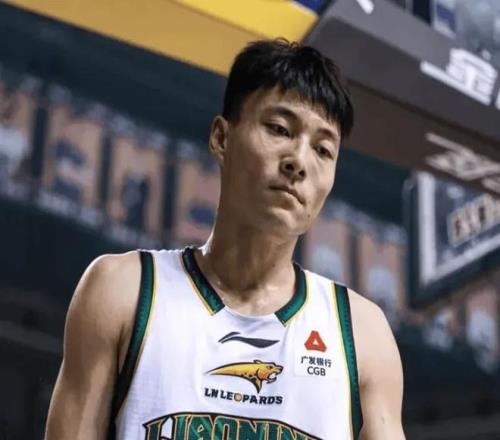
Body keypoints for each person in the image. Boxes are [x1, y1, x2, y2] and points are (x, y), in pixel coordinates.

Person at [45, 39, 405, 440]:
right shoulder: (122, 291)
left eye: (323, 150)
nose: (299, 162)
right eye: (279, 129)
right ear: (221, 138)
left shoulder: (362, 333)